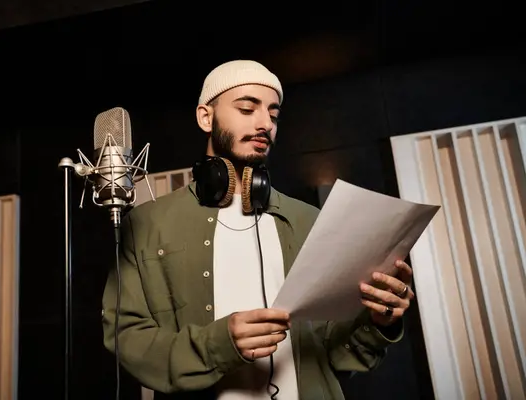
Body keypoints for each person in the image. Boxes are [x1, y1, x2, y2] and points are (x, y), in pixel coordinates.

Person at [102, 60, 415, 399]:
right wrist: (220, 345)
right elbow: (127, 337)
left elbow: (338, 354)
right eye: (247, 108)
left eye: (274, 114)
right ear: (206, 117)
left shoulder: (310, 220)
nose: (265, 123)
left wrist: (379, 322)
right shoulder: (148, 223)